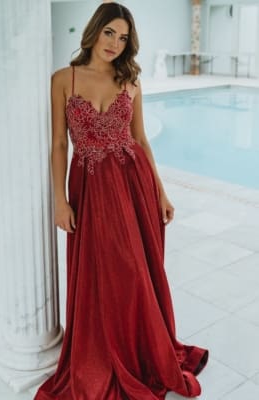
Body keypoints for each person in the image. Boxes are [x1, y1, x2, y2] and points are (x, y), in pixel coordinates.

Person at [34, 3, 208, 399]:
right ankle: (105, 351)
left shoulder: (130, 80)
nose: (115, 43)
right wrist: (59, 201)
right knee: (102, 271)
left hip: (133, 185)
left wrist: (160, 191)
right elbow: (59, 143)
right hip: (90, 187)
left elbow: (141, 139)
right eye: (110, 32)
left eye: (123, 37)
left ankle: (139, 348)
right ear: (95, 30)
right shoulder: (64, 79)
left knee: (135, 269)